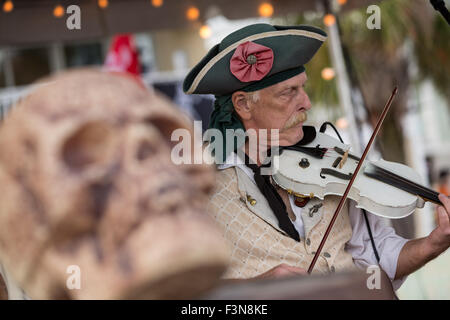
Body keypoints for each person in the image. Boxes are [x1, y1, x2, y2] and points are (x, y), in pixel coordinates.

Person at [183, 23, 450, 290]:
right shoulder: (195, 182)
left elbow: (375, 255)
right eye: (289, 92)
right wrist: (256, 287)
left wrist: (432, 244)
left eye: (303, 87)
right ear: (242, 104)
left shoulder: (330, 154)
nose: (306, 103)